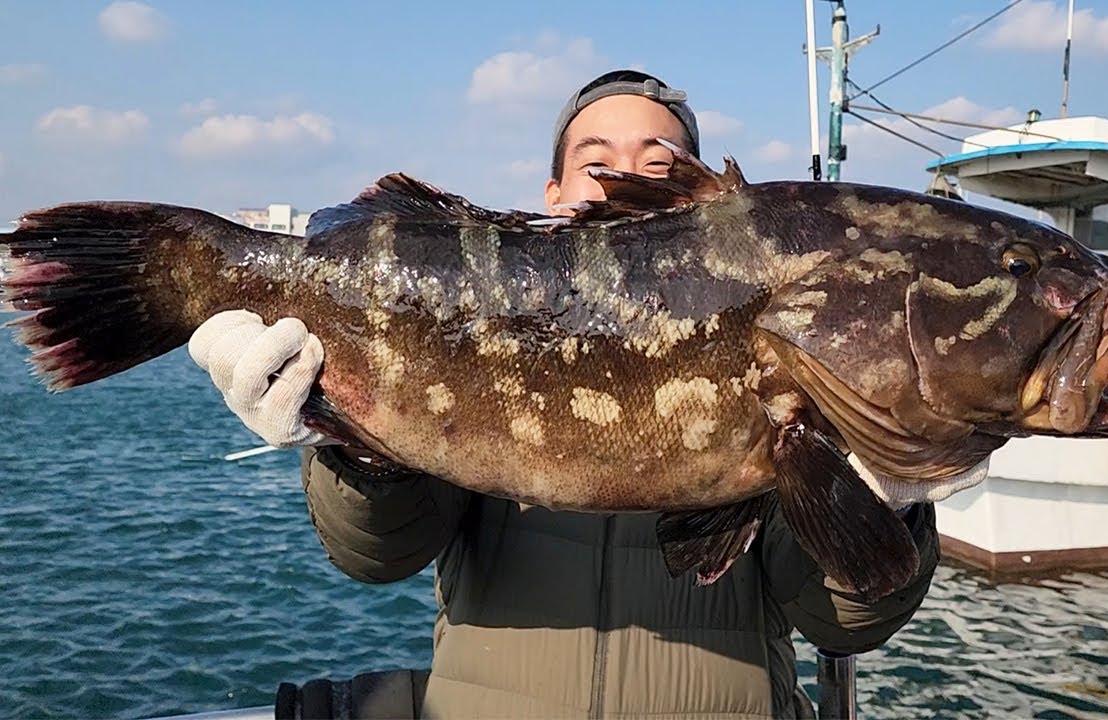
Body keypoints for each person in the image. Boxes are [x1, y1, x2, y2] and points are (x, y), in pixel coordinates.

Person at [187, 69, 987, 719]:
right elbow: (382, 554)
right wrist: (349, 444)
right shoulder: (466, 326)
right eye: (595, 160)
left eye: (658, 164)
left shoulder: (792, 356)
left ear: (707, 202)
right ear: (550, 194)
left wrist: (891, 502)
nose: (619, 181)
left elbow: (841, 620)